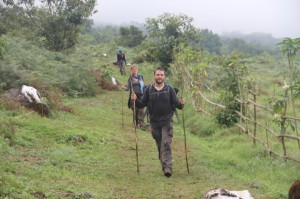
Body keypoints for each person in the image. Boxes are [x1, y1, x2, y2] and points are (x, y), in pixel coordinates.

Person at [131, 66, 185, 177]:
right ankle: (163, 162)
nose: (159, 77)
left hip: (167, 121)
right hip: (154, 122)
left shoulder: (169, 89)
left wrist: (182, 103)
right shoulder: (149, 90)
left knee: (166, 142)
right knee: (160, 143)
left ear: (164, 76)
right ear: (154, 75)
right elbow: (142, 104)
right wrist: (135, 100)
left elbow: (177, 105)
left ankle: (167, 167)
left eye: (161, 75)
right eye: (157, 75)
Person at [126, 65, 146, 130]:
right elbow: (128, 87)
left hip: (141, 96)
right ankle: (135, 123)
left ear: (137, 70)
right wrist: (124, 88)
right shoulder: (130, 78)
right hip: (133, 96)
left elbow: (143, 86)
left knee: (141, 110)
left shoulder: (140, 77)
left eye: (136, 69)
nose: (135, 70)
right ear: (131, 70)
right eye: (133, 69)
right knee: (135, 110)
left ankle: (141, 124)